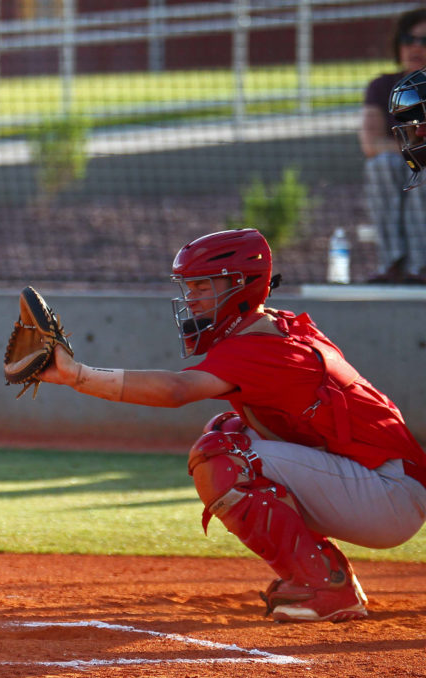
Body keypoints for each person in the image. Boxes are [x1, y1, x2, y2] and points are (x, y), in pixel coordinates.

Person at [33, 228, 426, 622]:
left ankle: (324, 586)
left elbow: (175, 390)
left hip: (389, 493)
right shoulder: (273, 326)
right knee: (228, 429)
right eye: (189, 286)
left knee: (222, 455)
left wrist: (76, 374)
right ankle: (327, 575)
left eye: (203, 285)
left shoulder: (260, 345)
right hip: (386, 482)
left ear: (243, 285)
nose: (192, 297)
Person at [360, 8, 426, 284]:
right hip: (399, 164)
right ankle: (393, 264)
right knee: (381, 165)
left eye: (424, 41)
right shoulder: (382, 86)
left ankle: (419, 267)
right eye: (408, 39)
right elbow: (370, 143)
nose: (414, 47)